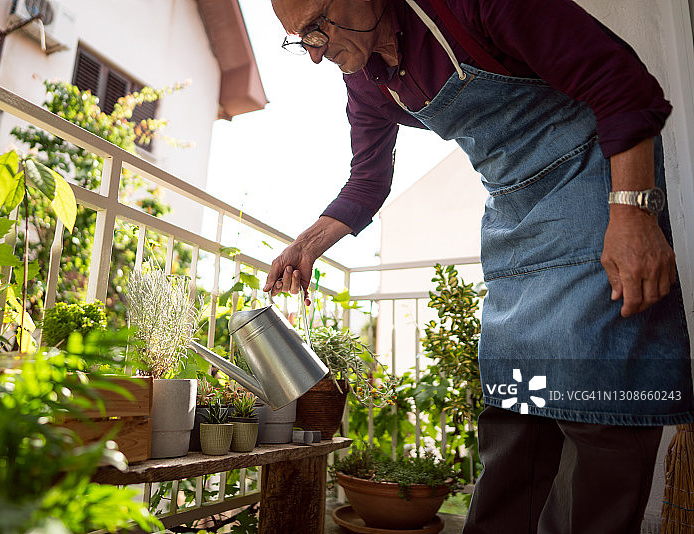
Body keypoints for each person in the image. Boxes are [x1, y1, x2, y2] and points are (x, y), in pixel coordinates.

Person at [261, 1, 694, 532]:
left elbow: (620, 79)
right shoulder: (366, 83)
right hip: (514, 219)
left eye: (316, 26)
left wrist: (633, 213)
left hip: (592, 185)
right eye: (299, 39)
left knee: (600, 413)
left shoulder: (471, 5)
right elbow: (368, 181)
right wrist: (307, 245)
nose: (315, 52)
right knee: (513, 416)